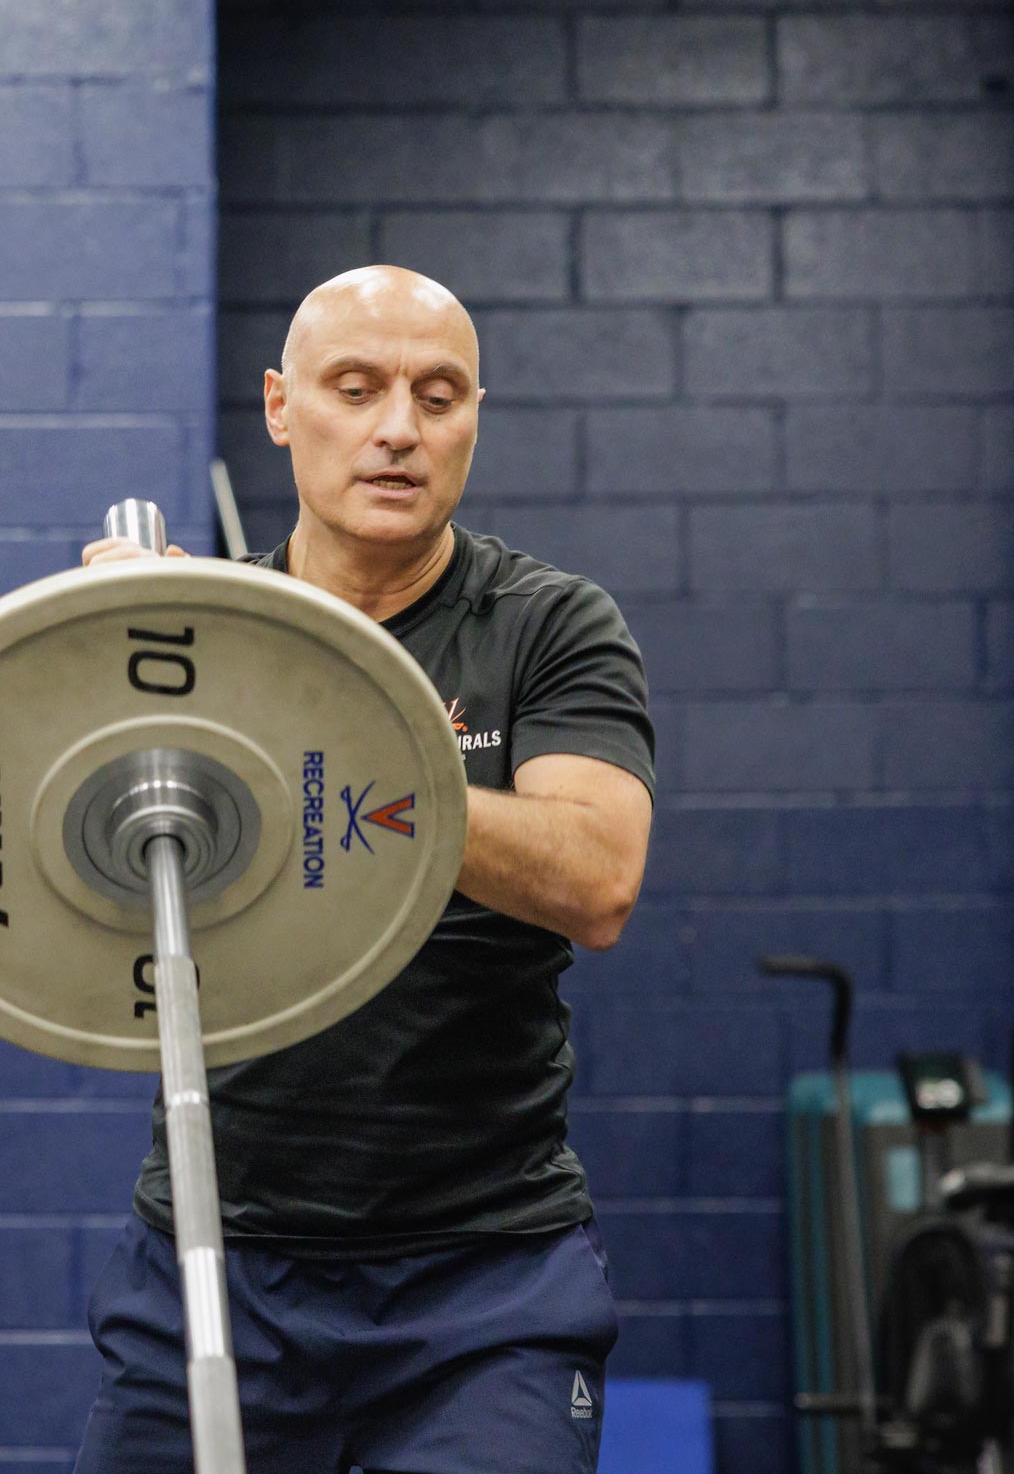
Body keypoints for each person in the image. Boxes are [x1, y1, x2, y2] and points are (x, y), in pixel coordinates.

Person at [71, 266, 657, 1473]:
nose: (398, 426)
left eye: (436, 395)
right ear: (284, 407)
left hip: (483, 1285)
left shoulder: (546, 625)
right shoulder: (189, 643)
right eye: (357, 387)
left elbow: (594, 876)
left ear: (472, 418)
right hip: (219, 1257)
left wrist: (298, 711)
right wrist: (103, 665)